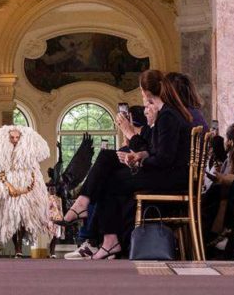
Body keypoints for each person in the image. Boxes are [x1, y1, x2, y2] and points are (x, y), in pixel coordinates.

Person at [56, 69, 194, 259]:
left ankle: (98, 225)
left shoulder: (168, 116)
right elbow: (155, 150)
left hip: (170, 179)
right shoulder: (165, 114)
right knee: (107, 158)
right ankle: (91, 215)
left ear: (145, 92)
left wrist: (139, 160)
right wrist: (139, 155)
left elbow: (164, 159)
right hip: (166, 174)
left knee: (109, 179)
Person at [0, 125, 51, 252]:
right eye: (12, 137)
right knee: (8, 217)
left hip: (26, 191)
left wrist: (25, 189)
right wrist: (7, 187)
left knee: (23, 218)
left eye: (17, 137)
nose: (15, 140)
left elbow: (34, 176)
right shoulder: (0, 160)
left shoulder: (29, 160)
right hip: (6, 192)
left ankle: (19, 248)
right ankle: (13, 246)